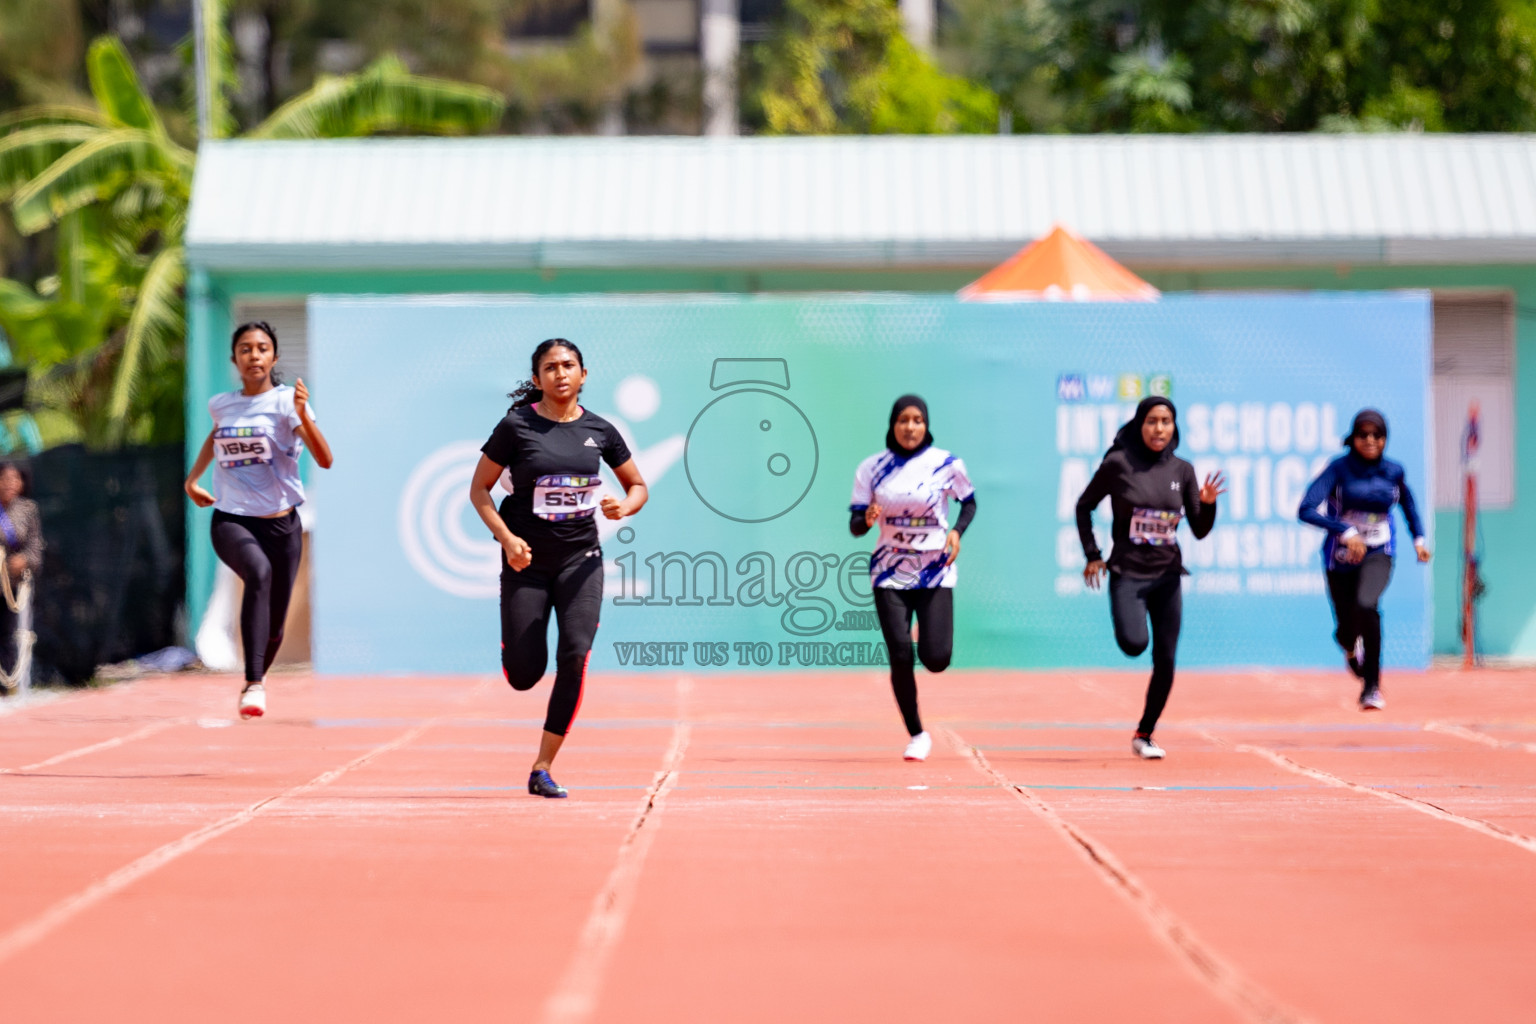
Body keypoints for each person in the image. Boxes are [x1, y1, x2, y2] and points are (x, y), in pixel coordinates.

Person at [469, 339, 648, 799]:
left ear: (583, 375)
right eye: (550, 368)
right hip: (526, 563)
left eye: (569, 365)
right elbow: (480, 491)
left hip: (580, 561)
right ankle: (518, 654)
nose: (560, 373)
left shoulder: (600, 430)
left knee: (575, 653)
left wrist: (623, 506)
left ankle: (542, 766)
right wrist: (507, 540)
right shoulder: (517, 426)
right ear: (537, 380)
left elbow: (638, 486)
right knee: (525, 674)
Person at [184, 322, 333, 719]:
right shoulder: (222, 404)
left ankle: (256, 675)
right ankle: (253, 683)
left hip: (283, 525)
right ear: (234, 359)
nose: (254, 355)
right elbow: (216, 437)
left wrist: (303, 413)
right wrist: (193, 479)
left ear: (274, 358)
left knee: (275, 627)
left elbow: (325, 459)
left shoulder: (288, 404)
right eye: (245, 349)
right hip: (232, 519)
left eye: (262, 348)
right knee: (257, 572)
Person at [1076, 397, 1224, 760]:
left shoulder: (1183, 471)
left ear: (1174, 428)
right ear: (1140, 425)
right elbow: (1084, 506)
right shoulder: (1118, 464)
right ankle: (1127, 624)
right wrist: (1094, 555)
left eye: (1166, 422)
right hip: (1128, 574)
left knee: (1166, 658)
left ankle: (1145, 733)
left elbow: (1201, 530)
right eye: (1152, 421)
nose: (1159, 429)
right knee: (1133, 644)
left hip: (1167, 576)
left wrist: (1208, 504)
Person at [849, 395, 976, 762]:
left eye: (917, 420)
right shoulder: (872, 468)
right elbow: (855, 525)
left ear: (926, 425)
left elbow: (969, 502)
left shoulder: (946, 464)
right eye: (903, 420)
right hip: (890, 573)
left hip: (934, 571)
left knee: (935, 658)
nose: (910, 427)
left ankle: (928, 637)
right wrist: (867, 519)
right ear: (893, 425)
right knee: (900, 653)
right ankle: (917, 733)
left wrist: (957, 532)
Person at [1297, 409, 1429, 711]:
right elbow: (1305, 509)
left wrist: (1419, 540)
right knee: (1346, 627)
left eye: (1377, 435)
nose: (1370, 440)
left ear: (1385, 438)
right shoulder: (1339, 470)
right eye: (1363, 435)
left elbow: (1408, 505)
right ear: (1353, 438)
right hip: (1339, 557)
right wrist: (1345, 531)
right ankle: (1348, 646)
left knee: (1368, 606)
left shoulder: (1394, 471)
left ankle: (1371, 688)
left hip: (1378, 551)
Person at [0, 460, 43, 693]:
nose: (9, 484)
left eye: (14, 479)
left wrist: (23, 560)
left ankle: (8, 687)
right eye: (4, 479)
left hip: (15, 589)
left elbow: (36, 549)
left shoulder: (28, 510)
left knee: (11, 635)